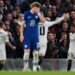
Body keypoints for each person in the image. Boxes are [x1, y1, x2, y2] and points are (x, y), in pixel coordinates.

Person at [20, 2, 45, 71]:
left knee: (36, 54)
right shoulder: (26, 13)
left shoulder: (39, 14)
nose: (38, 10)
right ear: (33, 7)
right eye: (37, 8)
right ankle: (25, 67)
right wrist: (21, 34)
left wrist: (39, 13)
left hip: (35, 36)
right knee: (26, 53)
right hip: (27, 35)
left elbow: (43, 21)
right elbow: (22, 25)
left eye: (39, 9)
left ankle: (34, 69)